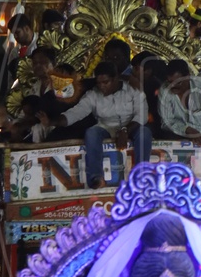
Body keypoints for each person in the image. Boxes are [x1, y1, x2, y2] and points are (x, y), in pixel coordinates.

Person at [43, 61, 152, 189]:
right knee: (91, 133)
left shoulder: (133, 91)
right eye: (99, 83)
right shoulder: (93, 95)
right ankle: (96, 177)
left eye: (105, 82)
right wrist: (52, 122)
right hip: (106, 126)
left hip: (132, 126)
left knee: (145, 132)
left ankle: (141, 175)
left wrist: (125, 130)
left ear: (116, 78)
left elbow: (142, 115)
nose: (101, 86)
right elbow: (76, 113)